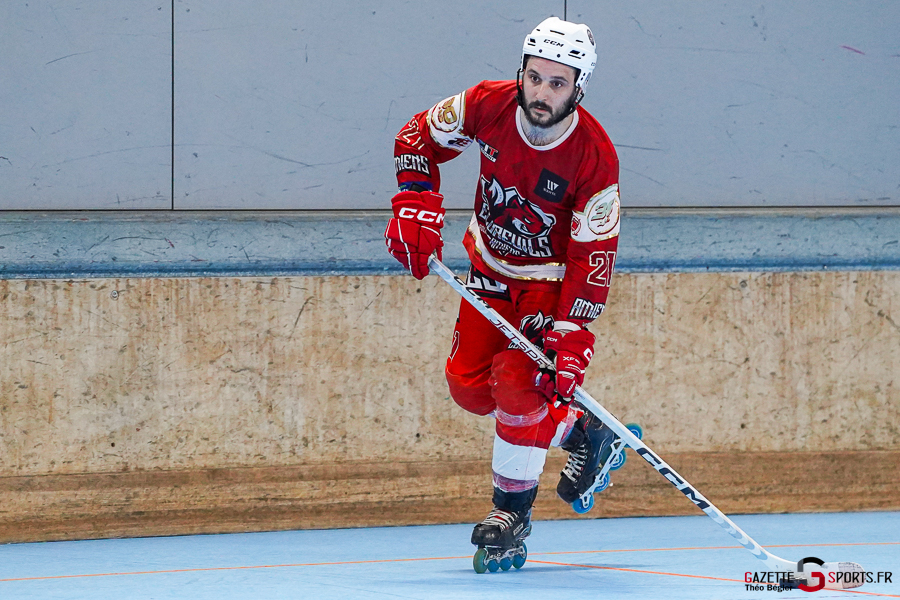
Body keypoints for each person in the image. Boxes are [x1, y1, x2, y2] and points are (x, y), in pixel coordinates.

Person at [384, 16, 621, 566]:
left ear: (578, 88)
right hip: (488, 270)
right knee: (469, 388)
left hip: (548, 286)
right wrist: (416, 194)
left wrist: (574, 329)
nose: (541, 94)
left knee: (518, 384)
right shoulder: (487, 104)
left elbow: (594, 252)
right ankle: (581, 431)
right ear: (522, 71)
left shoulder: (594, 155)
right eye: (535, 78)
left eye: (557, 84)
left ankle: (510, 511)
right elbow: (417, 133)